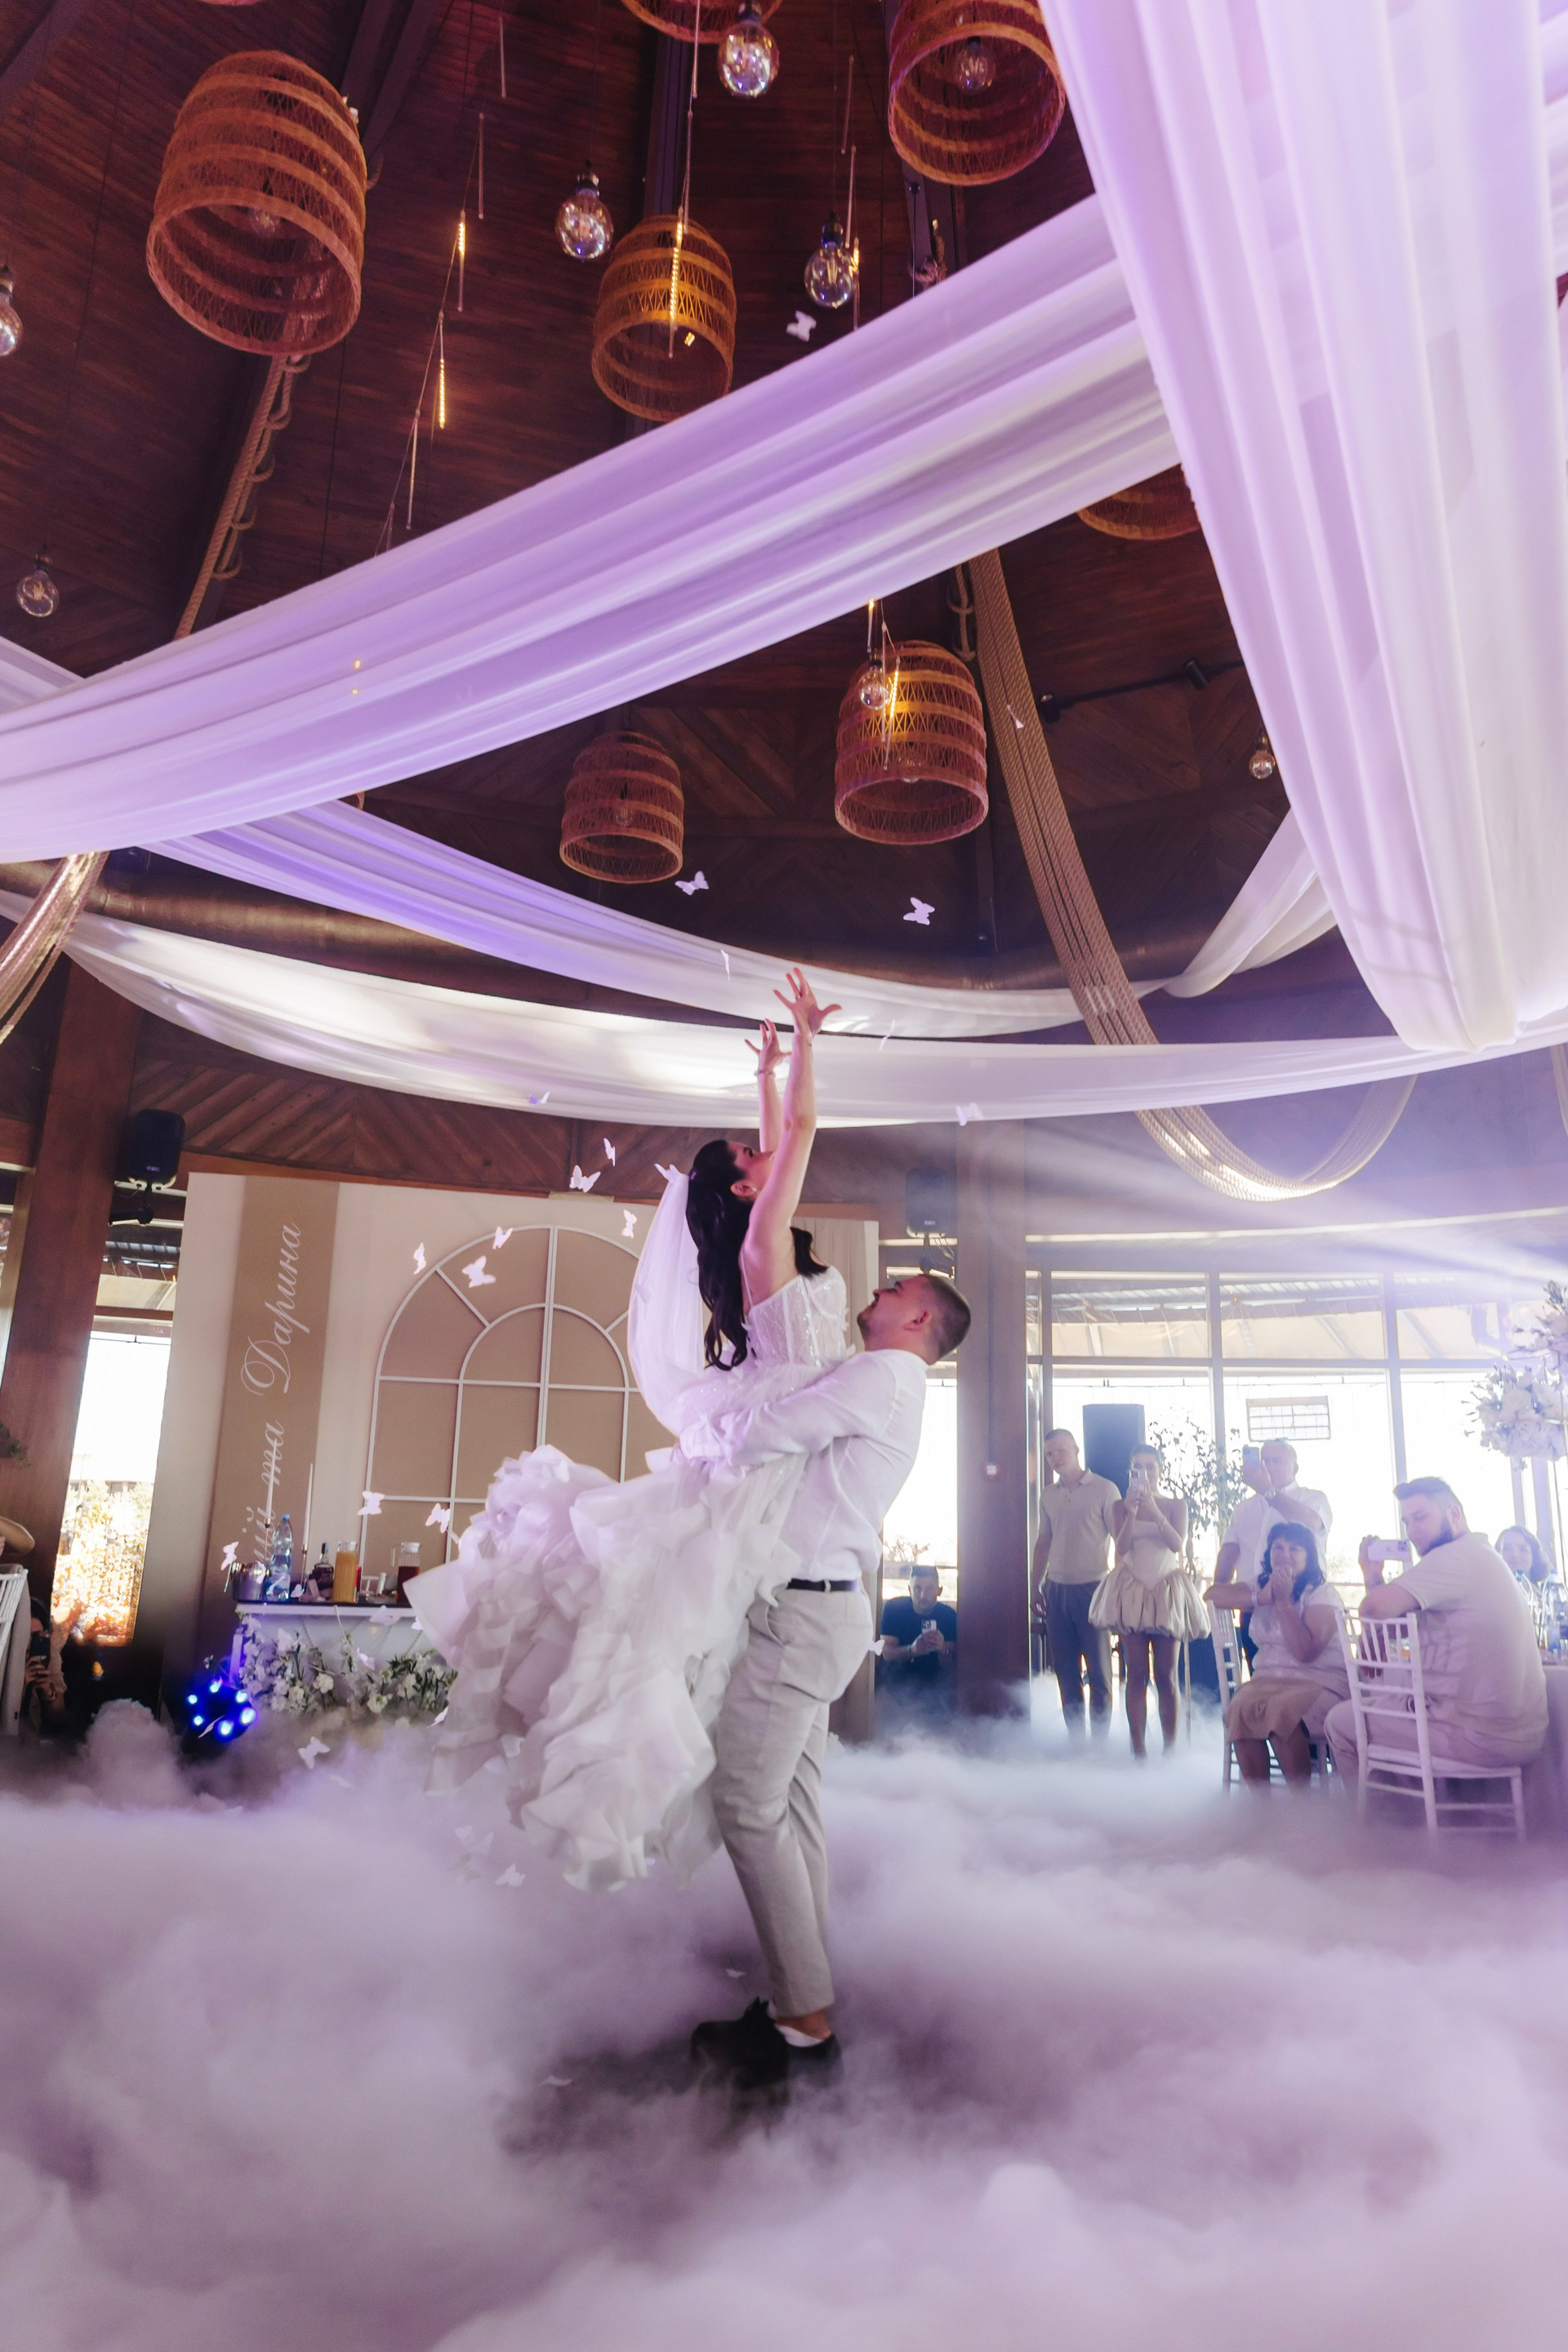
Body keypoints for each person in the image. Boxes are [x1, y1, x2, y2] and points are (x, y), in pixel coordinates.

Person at [408, 967, 853, 1889]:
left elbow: (783, 1138)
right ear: (744, 1189)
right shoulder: (764, 1241)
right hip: (782, 1451)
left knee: (744, 1660)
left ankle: (788, 1855)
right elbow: (803, 1134)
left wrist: (767, 1075)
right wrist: (809, 1042)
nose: (769, 1153)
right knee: (722, 1645)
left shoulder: (761, 1234)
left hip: (792, 1433)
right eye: (752, 1155)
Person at [684, 1271, 971, 2082]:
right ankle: (800, 2010)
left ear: (920, 1317)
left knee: (746, 1803)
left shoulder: (884, 1374)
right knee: (794, 1806)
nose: (878, 1287)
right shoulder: (889, 1379)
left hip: (804, 1617)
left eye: (896, 1286)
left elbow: (768, 1433)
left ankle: (804, 2020)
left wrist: (699, 1427)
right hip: (821, 1609)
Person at [1324, 1477, 1548, 1788]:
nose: (1412, 1531)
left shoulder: (1454, 1556)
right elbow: (1401, 1631)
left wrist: (1373, 1583)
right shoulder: (1481, 1554)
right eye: (1407, 1522)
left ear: (1454, 1514)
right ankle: (1420, 1810)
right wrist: (1375, 1584)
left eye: (1421, 1517)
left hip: (1480, 1735)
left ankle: (1384, 1818)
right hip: (1522, 1733)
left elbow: (1373, 1608)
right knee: (1393, 1707)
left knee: (1339, 1722)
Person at [1206, 1521, 1347, 1785]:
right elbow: (1211, 1595)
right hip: (1267, 1682)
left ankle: (1299, 1803)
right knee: (1240, 1710)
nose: (1284, 1554)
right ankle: (1263, 1804)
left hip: (1317, 1682)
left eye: (1295, 1549)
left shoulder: (1321, 1593)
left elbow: (1305, 1652)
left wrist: (1283, 1601)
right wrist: (1260, 1598)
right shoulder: (1259, 1586)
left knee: (1279, 1712)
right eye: (1278, 1548)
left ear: (1309, 1557)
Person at [1089, 1443, 1204, 1756]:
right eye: (1136, 1468)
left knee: (1167, 1675)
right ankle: (1138, 1750)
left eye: (1149, 1467)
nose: (1143, 1473)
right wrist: (1132, 1512)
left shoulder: (1176, 1504)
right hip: (1132, 1590)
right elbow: (1122, 1547)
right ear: (1130, 1472)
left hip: (1166, 1589)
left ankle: (1170, 1750)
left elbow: (1176, 1545)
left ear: (1160, 1470)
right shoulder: (1119, 1507)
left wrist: (1153, 1509)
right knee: (1135, 1674)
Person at [1032, 1428, 1118, 1737]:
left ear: (1076, 1450)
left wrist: (1117, 1590)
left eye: (1060, 1451)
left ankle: (1100, 1746)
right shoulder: (1048, 1495)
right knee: (1066, 1674)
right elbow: (1044, 1540)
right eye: (1049, 1454)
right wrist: (1035, 1585)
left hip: (1094, 1589)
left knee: (1100, 1673)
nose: (1055, 1458)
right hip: (1055, 1589)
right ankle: (1077, 1745)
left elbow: (1121, 1540)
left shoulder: (1105, 1489)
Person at [1213, 1441, 1332, 1659]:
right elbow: (1228, 1554)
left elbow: (1313, 1523)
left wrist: (1269, 1492)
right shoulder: (1243, 1509)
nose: (1269, 1466)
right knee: (1259, 1669)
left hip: (1305, 1604)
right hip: (1255, 1604)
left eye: (1277, 1461)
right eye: (1265, 1461)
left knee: (1304, 1668)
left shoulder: (1313, 1498)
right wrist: (1223, 1597)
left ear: (1295, 1468)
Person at [876, 1561, 958, 1717]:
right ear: (909, 1590)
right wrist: (911, 1650)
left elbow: (950, 1664)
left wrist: (942, 1649)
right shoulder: (894, 1609)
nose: (923, 1595)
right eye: (917, 1588)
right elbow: (886, 1653)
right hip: (895, 1687)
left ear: (939, 1590)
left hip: (935, 1689)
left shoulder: (949, 1616)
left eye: (929, 1589)